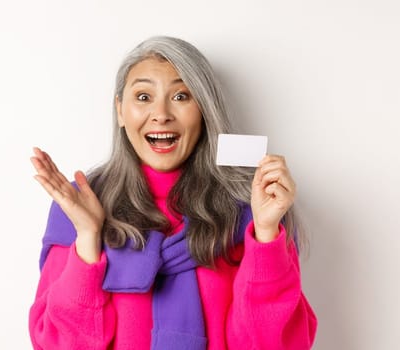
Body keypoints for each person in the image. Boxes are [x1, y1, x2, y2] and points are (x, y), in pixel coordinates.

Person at [27, 36, 317, 350]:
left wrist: (265, 234)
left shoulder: (250, 208)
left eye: (181, 96)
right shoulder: (80, 204)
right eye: (142, 96)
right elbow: (57, 344)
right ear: (120, 111)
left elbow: (275, 344)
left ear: (204, 111)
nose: (161, 113)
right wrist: (87, 236)